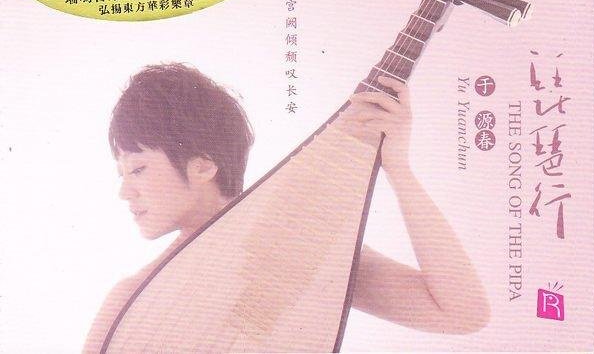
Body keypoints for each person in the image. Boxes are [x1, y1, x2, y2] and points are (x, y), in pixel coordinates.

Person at [83, 63, 489, 352]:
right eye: (122, 173)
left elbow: (462, 312)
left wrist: (398, 167)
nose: (124, 192)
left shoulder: (304, 250)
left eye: (137, 169)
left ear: (203, 166)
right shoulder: (130, 299)